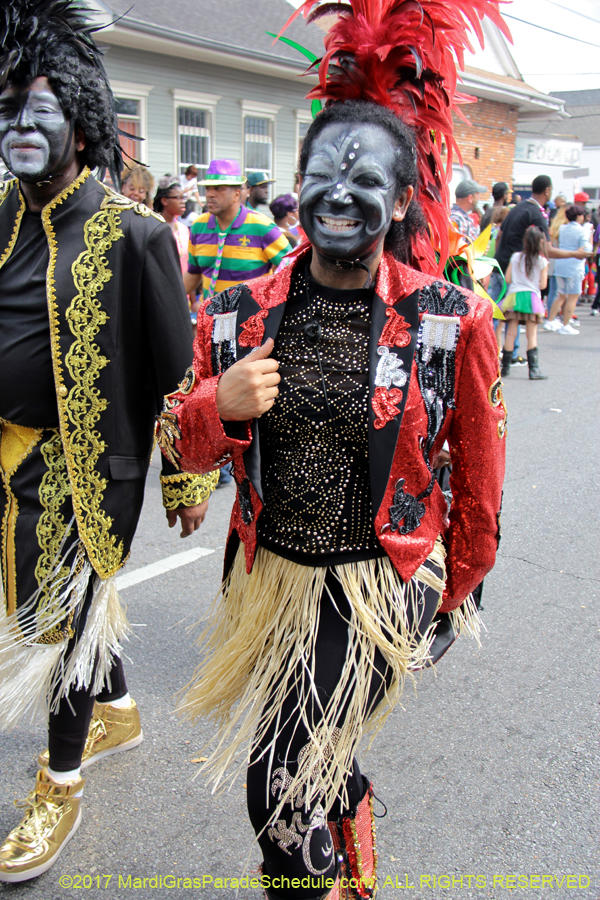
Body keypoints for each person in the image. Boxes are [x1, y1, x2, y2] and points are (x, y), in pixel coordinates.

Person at [156, 1, 507, 897]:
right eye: (321, 174)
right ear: (299, 184)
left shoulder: (451, 316)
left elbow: (480, 473)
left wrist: (453, 594)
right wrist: (216, 406)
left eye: (365, 179)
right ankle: (351, 876)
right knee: (322, 765)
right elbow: (181, 442)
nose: (340, 193)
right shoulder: (236, 311)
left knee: (277, 782)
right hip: (269, 579)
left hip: (377, 588)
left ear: (400, 198)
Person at [0, 1, 217, 883]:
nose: (18, 125)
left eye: (38, 109)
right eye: (6, 107)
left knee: (60, 623)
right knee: (82, 612)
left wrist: (184, 483)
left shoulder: (138, 234)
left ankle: (59, 782)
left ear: (82, 124)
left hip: (88, 467)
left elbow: (176, 370)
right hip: (2, 455)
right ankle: (118, 707)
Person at [183, 159, 291, 302]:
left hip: (250, 321)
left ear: (236, 193)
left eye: (219, 188)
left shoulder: (262, 227)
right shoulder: (198, 226)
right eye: (208, 188)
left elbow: (291, 269)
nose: (210, 194)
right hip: (210, 320)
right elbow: (194, 273)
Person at [498, 226, 549, 379]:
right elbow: (543, 285)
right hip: (532, 299)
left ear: (525, 241)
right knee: (531, 334)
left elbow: (507, 279)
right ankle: (533, 370)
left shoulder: (515, 257)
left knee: (511, 333)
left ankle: (505, 368)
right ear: (540, 241)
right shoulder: (542, 261)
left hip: (514, 296)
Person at [544, 204, 592, 334]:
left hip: (561, 264)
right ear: (579, 216)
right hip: (574, 266)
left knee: (560, 295)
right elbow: (586, 249)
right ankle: (565, 324)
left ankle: (550, 320)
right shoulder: (583, 231)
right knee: (573, 296)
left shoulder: (562, 228)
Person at [450, 178, 487, 242]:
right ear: (471, 198)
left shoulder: (460, 216)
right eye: (478, 194)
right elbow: (458, 250)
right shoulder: (457, 218)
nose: (479, 197)